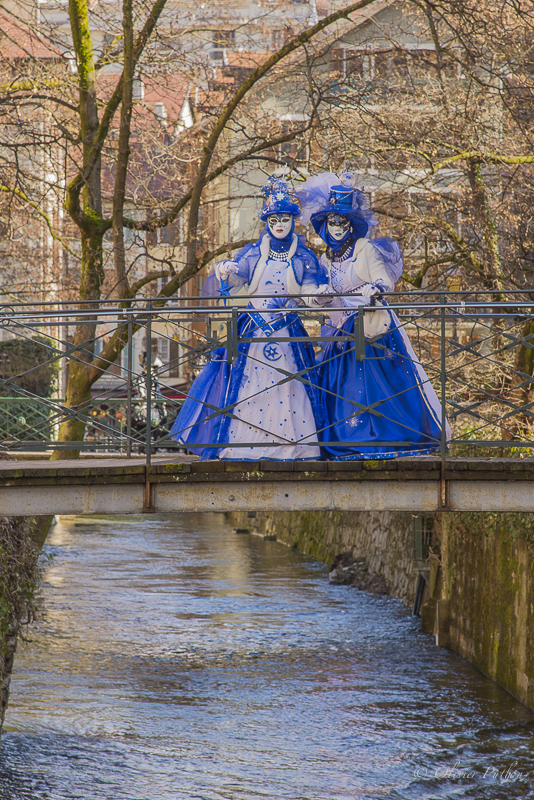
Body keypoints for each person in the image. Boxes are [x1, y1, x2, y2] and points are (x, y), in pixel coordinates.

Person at [169, 176, 328, 460]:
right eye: (274, 219)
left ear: (293, 221)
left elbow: (308, 292)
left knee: (290, 384)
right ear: (267, 222)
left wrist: (319, 295)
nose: (279, 224)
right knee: (249, 383)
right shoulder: (253, 253)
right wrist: (227, 268)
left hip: (287, 330)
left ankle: (292, 446)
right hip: (254, 330)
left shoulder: (304, 257)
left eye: (285, 218)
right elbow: (239, 274)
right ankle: (247, 442)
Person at [297, 172, 448, 460]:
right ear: (325, 226)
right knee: (343, 385)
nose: (338, 228)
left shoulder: (364, 249)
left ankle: (382, 436)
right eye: (332, 222)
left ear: (350, 225)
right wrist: (321, 295)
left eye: (342, 222)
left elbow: (384, 280)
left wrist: (374, 287)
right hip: (341, 328)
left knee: (377, 383)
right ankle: (345, 438)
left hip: (372, 324)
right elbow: (320, 291)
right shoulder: (325, 258)